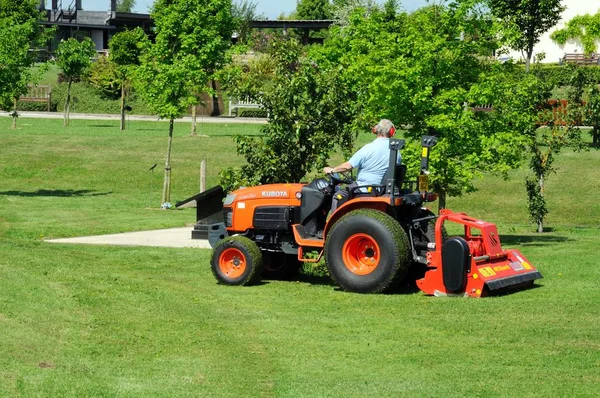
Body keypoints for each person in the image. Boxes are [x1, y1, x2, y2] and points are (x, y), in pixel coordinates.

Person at [323, 119, 402, 212]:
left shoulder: (369, 148)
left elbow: (348, 166)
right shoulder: (397, 152)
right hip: (381, 190)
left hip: (364, 188)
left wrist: (332, 170)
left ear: (376, 130)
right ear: (391, 132)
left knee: (337, 196)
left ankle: (335, 225)